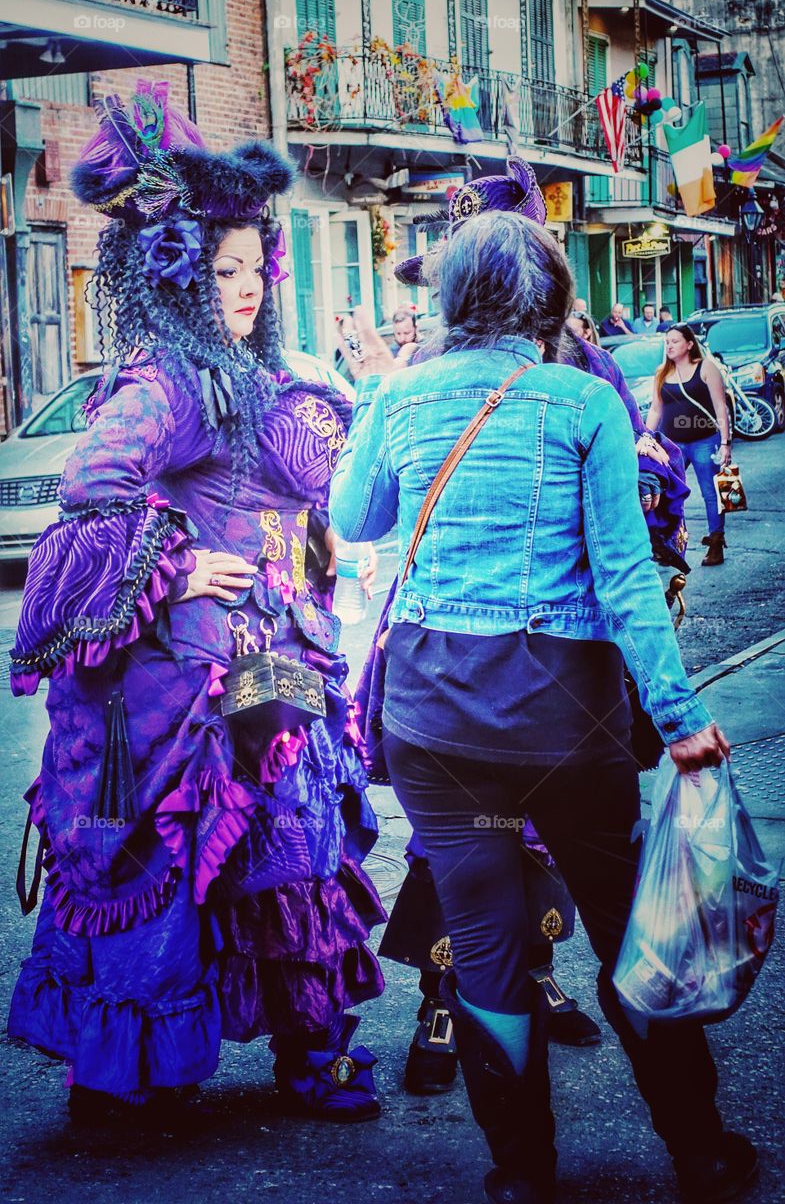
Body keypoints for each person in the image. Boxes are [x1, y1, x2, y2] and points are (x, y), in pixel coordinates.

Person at [329, 213, 755, 1204]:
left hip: (436, 720)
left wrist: (374, 390)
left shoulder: (399, 394)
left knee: (479, 939)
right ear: (552, 303)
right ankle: (697, 1149)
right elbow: (622, 581)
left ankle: (520, 1172)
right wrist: (679, 714)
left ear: (450, 302)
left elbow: (353, 518)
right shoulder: (580, 402)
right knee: (624, 927)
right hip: (564, 722)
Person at [7, 82, 385, 1128]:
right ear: (176, 277)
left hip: (275, 654)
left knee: (294, 851)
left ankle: (309, 1057)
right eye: (221, 270)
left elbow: (316, 485)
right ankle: (125, 1076)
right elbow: (93, 484)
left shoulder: (255, 376)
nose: (249, 285)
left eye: (254, 265)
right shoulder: (167, 380)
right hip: (189, 681)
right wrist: (174, 570)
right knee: (191, 859)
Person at [647, 323, 732, 567]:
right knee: (664, 493)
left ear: (689, 344)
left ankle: (716, 542)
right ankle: (667, 544)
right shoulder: (662, 372)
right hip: (672, 444)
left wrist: (725, 442)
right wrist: (645, 436)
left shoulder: (706, 368)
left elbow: (720, 408)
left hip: (705, 441)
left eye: (674, 341)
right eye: (667, 342)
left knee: (710, 493)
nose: (669, 345)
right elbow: (656, 409)